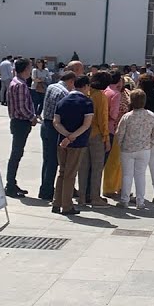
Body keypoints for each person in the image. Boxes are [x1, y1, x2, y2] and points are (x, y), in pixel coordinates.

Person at [51, 74, 95, 216]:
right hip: (77, 142)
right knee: (71, 174)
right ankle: (67, 205)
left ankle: (56, 202)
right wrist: (72, 137)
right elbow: (86, 124)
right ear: (86, 86)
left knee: (62, 172)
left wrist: (65, 135)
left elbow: (56, 122)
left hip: (61, 141)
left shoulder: (62, 101)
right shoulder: (87, 102)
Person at [114, 90, 154, 209]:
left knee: (127, 175)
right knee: (140, 175)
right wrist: (151, 143)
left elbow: (120, 133)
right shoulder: (150, 115)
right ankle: (140, 201)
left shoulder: (127, 116)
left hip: (128, 148)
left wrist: (120, 144)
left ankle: (125, 199)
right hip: (144, 148)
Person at [77, 71, 112, 207]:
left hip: (83, 133)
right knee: (97, 167)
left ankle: (81, 197)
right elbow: (102, 119)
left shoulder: (86, 92)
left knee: (83, 167)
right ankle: (95, 197)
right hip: (96, 135)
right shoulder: (100, 96)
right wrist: (106, 138)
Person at [38, 70, 75, 200]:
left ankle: (44, 188)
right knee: (53, 161)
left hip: (45, 124)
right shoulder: (65, 93)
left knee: (47, 159)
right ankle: (47, 191)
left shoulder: (51, 86)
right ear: (70, 81)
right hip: (55, 127)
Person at [5, 59, 37, 197]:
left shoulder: (15, 82)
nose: (31, 70)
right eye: (30, 68)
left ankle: (12, 182)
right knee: (16, 154)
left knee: (17, 153)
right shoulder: (20, 85)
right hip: (21, 122)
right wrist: (32, 117)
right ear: (25, 69)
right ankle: (10, 184)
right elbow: (22, 107)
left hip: (17, 121)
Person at [102, 71, 126, 198]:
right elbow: (114, 114)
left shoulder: (105, 91)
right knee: (114, 160)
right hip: (114, 128)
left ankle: (112, 186)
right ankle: (110, 187)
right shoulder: (116, 94)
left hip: (103, 127)